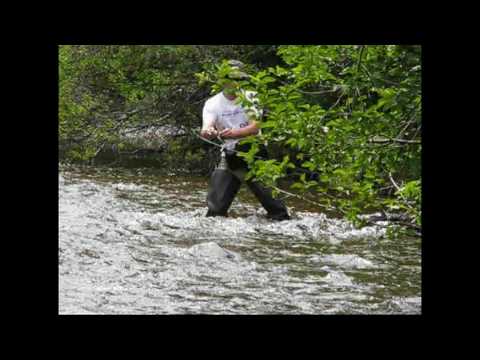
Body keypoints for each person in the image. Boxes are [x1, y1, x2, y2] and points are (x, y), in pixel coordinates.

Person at [200, 60, 290, 220]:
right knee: (215, 212)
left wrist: (233, 133)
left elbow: (254, 127)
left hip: (255, 155)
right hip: (229, 155)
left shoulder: (251, 98)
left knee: (278, 211)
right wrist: (208, 131)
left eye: (240, 78)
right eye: (231, 78)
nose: (236, 82)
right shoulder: (212, 103)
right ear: (222, 79)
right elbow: (206, 127)